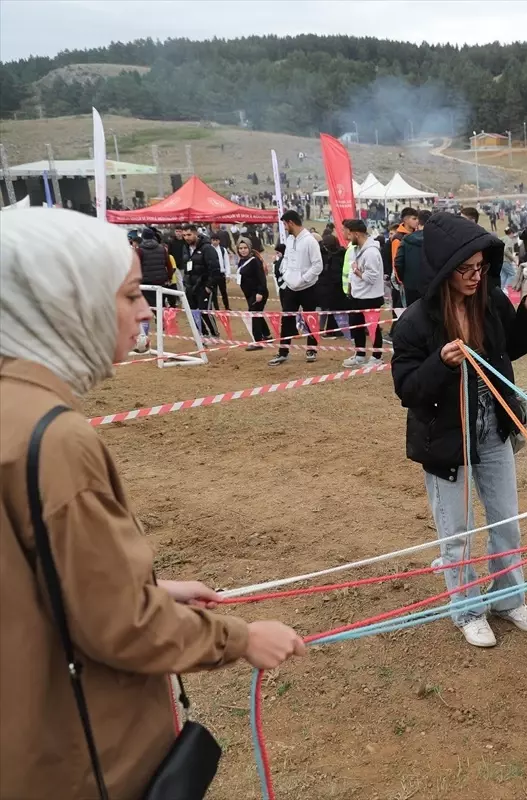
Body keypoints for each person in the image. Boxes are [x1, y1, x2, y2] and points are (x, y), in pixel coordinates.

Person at [0, 207, 305, 798]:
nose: (145, 311)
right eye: (130, 294)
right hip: (81, 757)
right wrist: (240, 638)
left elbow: (33, 579)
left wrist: (152, 588)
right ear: (69, 303)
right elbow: (119, 626)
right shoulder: (54, 438)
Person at [390, 212, 527, 648]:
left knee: (507, 522)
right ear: (445, 269)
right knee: (457, 533)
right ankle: (467, 609)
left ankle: (509, 598)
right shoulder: (415, 323)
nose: (477, 276)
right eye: (467, 269)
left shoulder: (491, 301)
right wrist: (440, 363)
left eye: (481, 267)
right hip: (445, 441)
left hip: (493, 430)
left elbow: (510, 345)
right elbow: (407, 389)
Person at [270, 210, 324, 366]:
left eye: (285, 224)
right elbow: (286, 259)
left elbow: (318, 265)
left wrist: (303, 279)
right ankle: (283, 352)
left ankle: (312, 349)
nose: (285, 228)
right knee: (286, 319)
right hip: (290, 288)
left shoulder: (310, 241)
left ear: (291, 223)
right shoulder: (289, 240)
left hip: (308, 288)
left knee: (310, 319)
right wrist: (286, 274)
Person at [342, 219, 386, 366]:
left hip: (371, 297)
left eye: (347, 233)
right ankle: (360, 354)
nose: (345, 236)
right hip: (357, 295)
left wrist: (356, 271)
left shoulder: (372, 252)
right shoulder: (355, 249)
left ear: (356, 233)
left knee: (373, 328)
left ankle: (377, 356)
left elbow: (371, 277)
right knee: (357, 326)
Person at [180, 224, 220, 337]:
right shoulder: (185, 248)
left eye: (189, 234)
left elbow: (215, 268)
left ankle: (214, 333)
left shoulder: (207, 248)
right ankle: (202, 333)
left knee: (205, 311)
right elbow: (186, 265)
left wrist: (209, 286)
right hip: (190, 286)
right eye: (184, 235)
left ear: (196, 233)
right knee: (193, 312)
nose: (186, 237)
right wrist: (186, 282)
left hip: (204, 285)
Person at [235, 238, 271, 351]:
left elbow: (261, 277)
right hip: (249, 293)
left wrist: (260, 292)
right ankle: (267, 335)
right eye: (240, 248)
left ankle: (258, 341)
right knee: (257, 313)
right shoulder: (242, 261)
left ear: (249, 248)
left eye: (245, 248)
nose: (243, 250)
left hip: (258, 293)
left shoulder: (254, 260)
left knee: (254, 314)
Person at [393, 210, 427, 307]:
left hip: (411, 284)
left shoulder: (409, 238)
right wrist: (401, 280)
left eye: (417, 219)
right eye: (414, 218)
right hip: (406, 283)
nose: (416, 221)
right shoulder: (398, 238)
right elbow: (395, 261)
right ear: (405, 220)